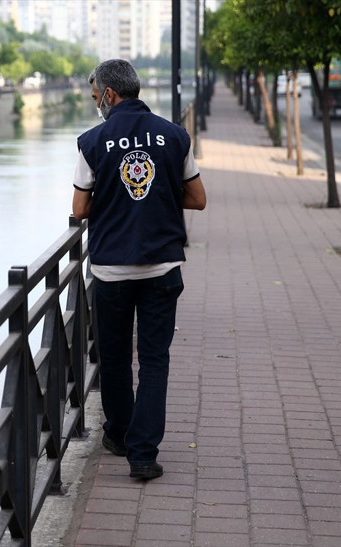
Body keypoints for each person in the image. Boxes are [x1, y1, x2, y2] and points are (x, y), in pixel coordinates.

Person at [72, 59, 206, 480]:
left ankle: (118, 433)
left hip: (111, 268)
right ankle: (143, 456)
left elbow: (79, 209)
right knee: (153, 360)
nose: (96, 104)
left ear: (109, 95)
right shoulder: (174, 135)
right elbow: (198, 198)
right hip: (162, 266)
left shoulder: (92, 142)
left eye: (96, 97)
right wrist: (157, 196)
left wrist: (114, 200)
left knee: (113, 357)